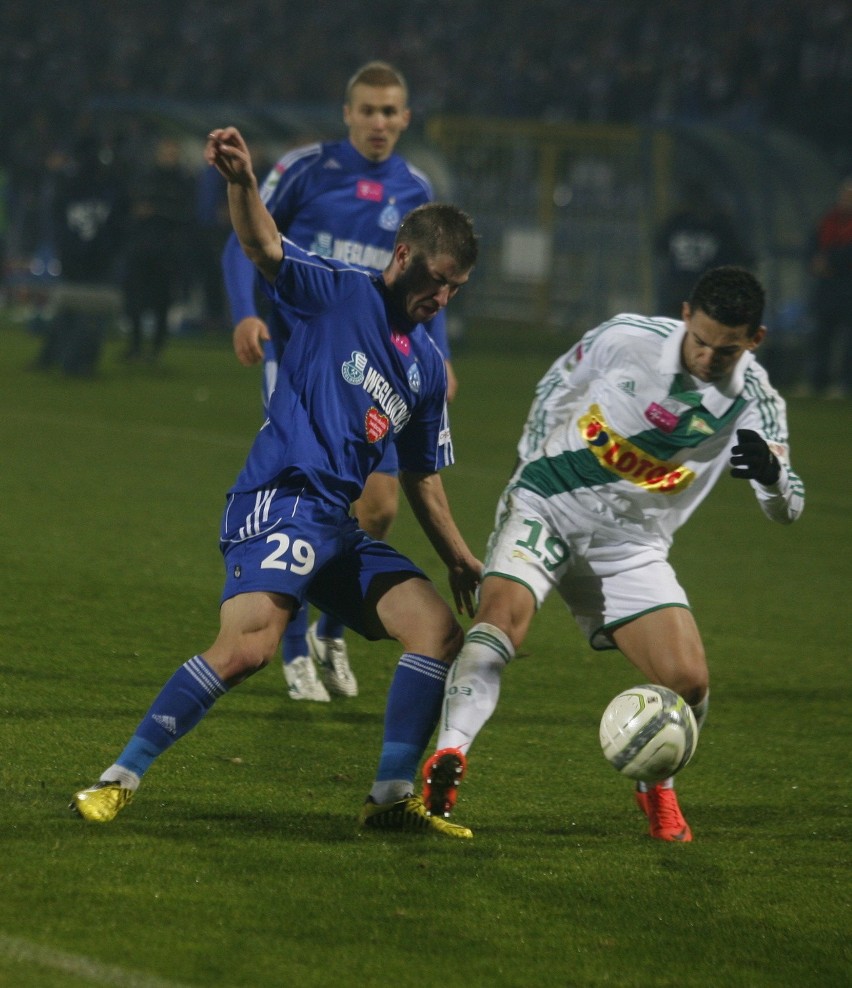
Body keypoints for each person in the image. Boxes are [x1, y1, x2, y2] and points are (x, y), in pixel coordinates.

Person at [70, 125, 481, 839]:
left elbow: (422, 476)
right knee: (248, 648)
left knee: (436, 631)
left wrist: (459, 560)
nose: (441, 296)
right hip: (280, 499)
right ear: (404, 255)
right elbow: (263, 246)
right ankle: (118, 777)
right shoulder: (338, 293)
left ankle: (388, 798)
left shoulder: (422, 368)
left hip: (336, 528)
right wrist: (242, 182)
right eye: (436, 278)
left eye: (456, 287)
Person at [419, 265, 805, 842]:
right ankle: (447, 761)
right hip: (548, 505)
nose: (706, 357)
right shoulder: (627, 337)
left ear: (755, 339)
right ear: (685, 316)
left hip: (631, 546)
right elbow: (559, 383)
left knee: (690, 682)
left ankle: (656, 787)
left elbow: (789, 507)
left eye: (725, 350)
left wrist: (773, 478)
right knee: (501, 623)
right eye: (699, 340)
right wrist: (531, 456)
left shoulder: (755, 401)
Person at [223, 61, 458, 704]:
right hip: (305, 355)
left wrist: (438, 355)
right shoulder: (308, 169)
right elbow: (248, 239)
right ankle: (292, 637)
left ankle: (333, 625)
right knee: (309, 489)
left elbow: (424, 291)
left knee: (379, 506)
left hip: (379, 367)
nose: (379, 122)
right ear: (347, 113)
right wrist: (247, 310)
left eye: (391, 112)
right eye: (368, 110)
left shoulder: (414, 189)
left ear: (405, 118)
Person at [122, 136, 195, 363]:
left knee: (161, 301)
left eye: (172, 153)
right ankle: (135, 346)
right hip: (141, 248)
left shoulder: (183, 181)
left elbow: (186, 215)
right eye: (166, 152)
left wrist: (155, 211)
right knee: (135, 299)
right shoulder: (146, 179)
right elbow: (131, 210)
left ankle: (156, 349)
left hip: (167, 251)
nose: (169, 157)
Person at [654, 182, 755, 319]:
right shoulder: (718, 224)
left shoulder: (677, 222)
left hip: (685, 291)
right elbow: (741, 256)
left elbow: (660, 248)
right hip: (705, 293)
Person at [806, 175, 852, 398]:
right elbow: (811, 246)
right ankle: (817, 382)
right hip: (826, 289)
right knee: (821, 335)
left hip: (848, 288)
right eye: (845, 194)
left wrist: (831, 262)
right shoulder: (828, 220)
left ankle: (845, 383)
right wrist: (815, 262)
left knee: (848, 339)